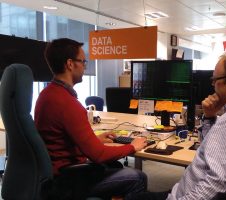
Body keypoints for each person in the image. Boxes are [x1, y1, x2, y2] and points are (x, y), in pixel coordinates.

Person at [129, 50, 226, 200]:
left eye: (214, 79)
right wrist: (210, 116)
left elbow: (216, 185)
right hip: (183, 190)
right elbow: (212, 150)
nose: (212, 85)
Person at [34, 38, 148, 200]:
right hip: (69, 181)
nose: (85, 66)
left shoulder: (46, 95)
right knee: (137, 177)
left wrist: (96, 139)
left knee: (114, 166)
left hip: (56, 175)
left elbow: (61, 140)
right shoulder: (67, 104)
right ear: (70, 64)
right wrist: (132, 147)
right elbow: (99, 155)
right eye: (83, 61)